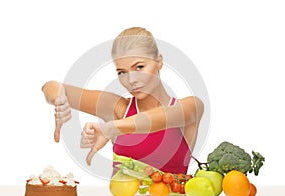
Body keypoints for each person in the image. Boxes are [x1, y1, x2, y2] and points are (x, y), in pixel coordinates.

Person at [42, 27, 204, 174]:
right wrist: (58, 99)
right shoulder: (118, 108)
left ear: (159, 61)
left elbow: (160, 119)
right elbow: (51, 86)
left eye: (139, 67)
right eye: (122, 72)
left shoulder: (190, 107)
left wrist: (111, 128)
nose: (131, 80)